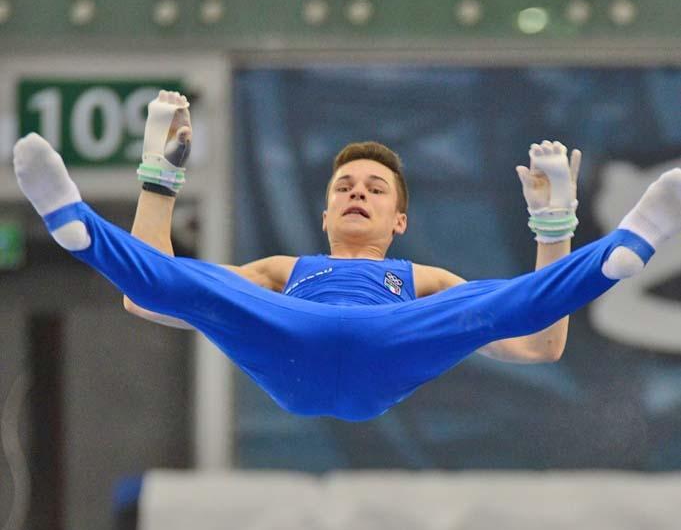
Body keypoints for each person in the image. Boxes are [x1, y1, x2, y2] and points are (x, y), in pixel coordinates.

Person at [13, 90, 681, 422]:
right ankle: (75, 225)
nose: (357, 192)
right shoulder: (282, 271)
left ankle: (619, 251)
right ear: (325, 214)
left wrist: (552, 228)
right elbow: (152, 295)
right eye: (344, 187)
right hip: (290, 340)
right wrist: (158, 178)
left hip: (388, 347)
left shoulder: (423, 280)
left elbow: (537, 346)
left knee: (482, 303)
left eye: (374, 187)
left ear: (398, 220)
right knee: (203, 288)